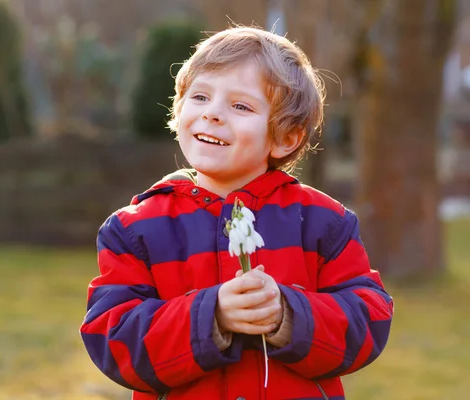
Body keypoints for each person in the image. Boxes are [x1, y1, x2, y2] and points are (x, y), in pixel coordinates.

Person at [80, 25, 394, 400]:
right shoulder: (135, 229)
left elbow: (370, 319)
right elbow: (113, 339)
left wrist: (287, 315)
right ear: (178, 110)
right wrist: (212, 316)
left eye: (240, 106)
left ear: (286, 138)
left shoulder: (323, 222)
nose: (212, 114)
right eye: (199, 97)